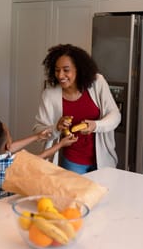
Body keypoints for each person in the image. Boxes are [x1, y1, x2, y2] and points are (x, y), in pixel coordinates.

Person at [34, 44, 121, 174]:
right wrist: (56, 128)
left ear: (78, 69)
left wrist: (95, 125)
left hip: (103, 160)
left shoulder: (97, 82)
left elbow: (115, 116)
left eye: (66, 70)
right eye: (57, 70)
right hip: (72, 162)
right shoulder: (50, 94)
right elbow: (39, 130)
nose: (61, 75)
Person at [0, 116, 78, 205]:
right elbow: (40, 157)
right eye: (9, 135)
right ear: (7, 145)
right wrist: (61, 144)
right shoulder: (12, 166)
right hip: (0, 209)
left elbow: (9, 147)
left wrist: (37, 136)